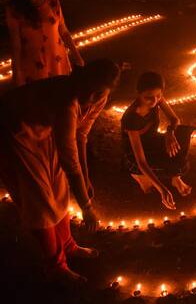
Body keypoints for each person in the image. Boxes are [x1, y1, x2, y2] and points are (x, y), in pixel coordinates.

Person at [0, 59, 119, 284]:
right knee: (40, 197)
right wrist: (87, 206)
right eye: (90, 90)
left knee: (58, 186)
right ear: (82, 80)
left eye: (99, 93)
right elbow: (69, 161)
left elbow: (81, 135)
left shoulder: (99, 97)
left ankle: (68, 245)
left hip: (43, 127)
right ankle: (55, 266)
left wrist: (86, 177)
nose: (92, 98)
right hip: (14, 127)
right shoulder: (66, 102)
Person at [121, 72, 195, 209]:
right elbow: (141, 162)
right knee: (149, 174)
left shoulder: (156, 99)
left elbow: (174, 120)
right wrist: (162, 190)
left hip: (154, 140)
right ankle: (142, 178)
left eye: (158, 95)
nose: (154, 101)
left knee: (183, 133)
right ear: (139, 94)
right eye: (149, 97)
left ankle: (175, 178)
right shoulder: (131, 118)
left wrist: (170, 133)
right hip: (138, 152)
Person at [5, 0, 84, 87]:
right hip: (33, 65)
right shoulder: (14, 9)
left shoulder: (52, 1)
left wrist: (77, 56)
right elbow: (16, 44)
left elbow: (63, 31)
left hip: (57, 60)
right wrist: (17, 72)